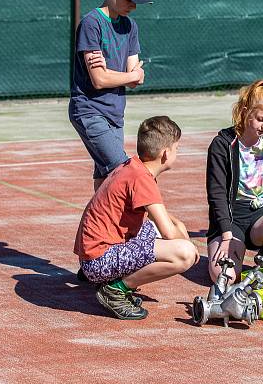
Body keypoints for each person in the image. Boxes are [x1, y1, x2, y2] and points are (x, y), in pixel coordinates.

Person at [74, 116, 199, 320]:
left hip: (94, 255)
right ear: (166, 154)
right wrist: (187, 243)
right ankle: (115, 290)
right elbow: (168, 233)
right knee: (185, 254)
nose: (178, 152)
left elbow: (160, 217)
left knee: (162, 232)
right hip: (98, 260)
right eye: (177, 148)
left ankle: (111, 280)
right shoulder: (142, 179)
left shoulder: (134, 167)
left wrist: (180, 226)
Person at [68, 0, 152, 192]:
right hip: (89, 111)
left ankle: (98, 228)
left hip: (115, 114)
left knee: (105, 180)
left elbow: (136, 78)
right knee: (123, 171)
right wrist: (129, 75)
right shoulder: (91, 24)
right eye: (128, 0)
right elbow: (99, 80)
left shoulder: (130, 26)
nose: (133, 6)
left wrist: (126, 75)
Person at [205, 80, 263, 283]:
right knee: (224, 276)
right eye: (260, 119)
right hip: (232, 221)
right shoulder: (222, 144)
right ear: (245, 112)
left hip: (260, 219)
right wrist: (226, 236)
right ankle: (228, 249)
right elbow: (217, 194)